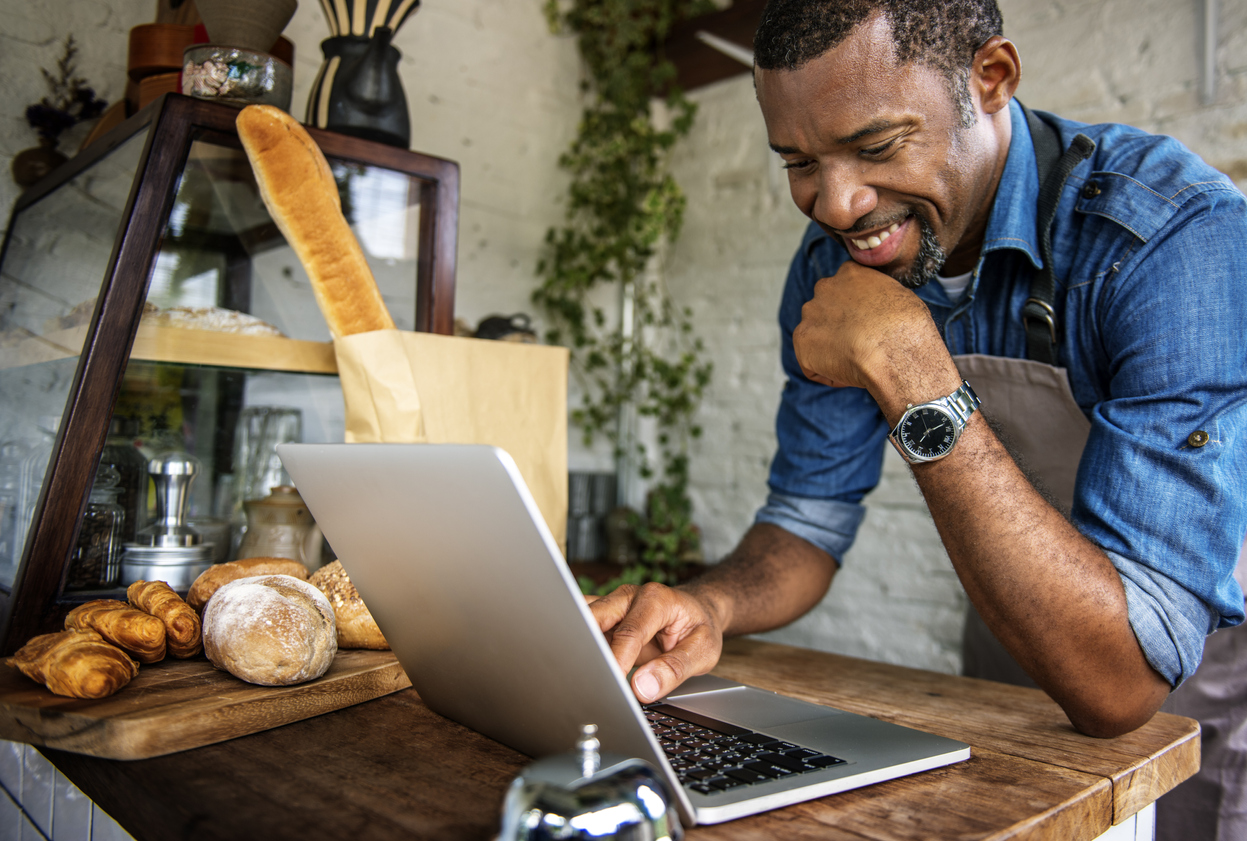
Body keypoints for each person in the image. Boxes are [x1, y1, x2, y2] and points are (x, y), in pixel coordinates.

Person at [588, 0, 1247, 836]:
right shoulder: (845, 253)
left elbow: (1117, 684)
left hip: (1204, 650)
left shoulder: (1165, 237)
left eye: (874, 146)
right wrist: (710, 604)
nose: (834, 204)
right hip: (1017, 618)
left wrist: (907, 362)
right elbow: (805, 521)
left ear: (991, 79)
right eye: (796, 160)